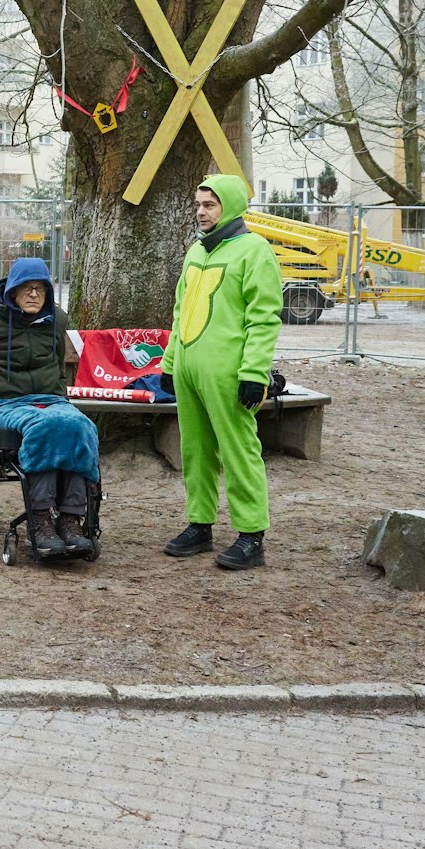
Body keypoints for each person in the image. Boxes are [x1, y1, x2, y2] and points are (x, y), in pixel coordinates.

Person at [161, 172, 283, 570]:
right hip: (190, 371)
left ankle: (251, 535)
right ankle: (200, 524)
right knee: (195, 451)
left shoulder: (254, 251)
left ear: (229, 205)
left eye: (209, 205)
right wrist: (169, 362)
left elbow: (263, 318)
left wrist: (254, 373)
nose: (201, 212)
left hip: (229, 373)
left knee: (238, 451)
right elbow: (181, 312)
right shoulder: (196, 252)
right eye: (197, 205)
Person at [0, 257, 98, 559]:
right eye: (27, 288)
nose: (34, 295)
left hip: (48, 401)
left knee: (81, 426)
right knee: (46, 427)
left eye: (40, 289)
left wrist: (60, 400)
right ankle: (40, 522)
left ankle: (70, 519)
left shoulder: (57, 320)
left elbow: (56, 367)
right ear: (12, 290)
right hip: (1, 402)